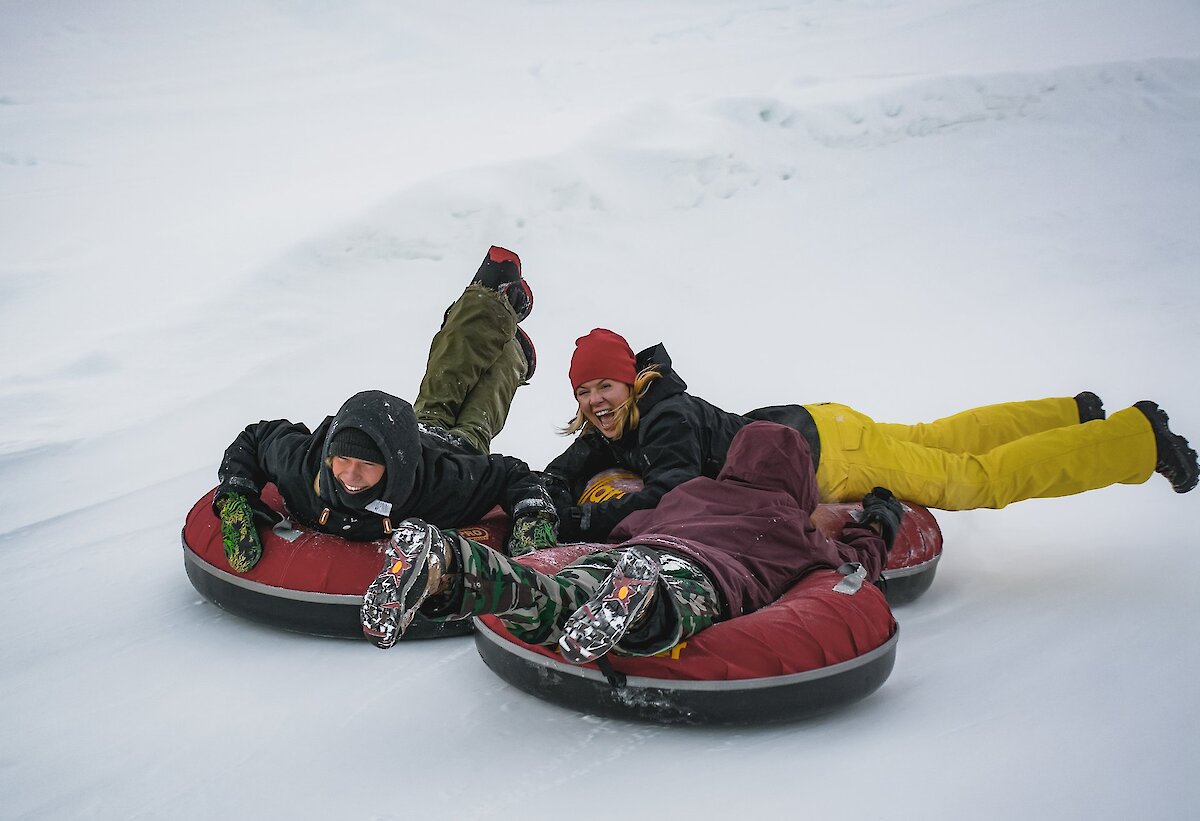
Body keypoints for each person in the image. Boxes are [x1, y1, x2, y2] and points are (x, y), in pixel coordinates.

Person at [541, 328, 1200, 543]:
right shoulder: (620, 424)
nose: (596, 400)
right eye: (584, 391)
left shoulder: (665, 416)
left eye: (604, 385)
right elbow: (566, 464)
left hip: (828, 456)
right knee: (934, 438)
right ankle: (1072, 414)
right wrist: (537, 493)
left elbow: (673, 491)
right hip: (815, 426)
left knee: (972, 479)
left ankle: (1138, 440)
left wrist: (589, 521)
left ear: (631, 381)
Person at [360, 421, 902, 657]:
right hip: (701, 574)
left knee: (556, 596)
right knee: (671, 606)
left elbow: (628, 526)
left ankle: (450, 565)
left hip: (639, 552)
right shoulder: (792, 528)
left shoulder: (692, 492)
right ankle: (643, 606)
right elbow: (857, 563)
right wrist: (878, 519)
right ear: (799, 479)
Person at [213, 246, 559, 573]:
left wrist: (532, 516)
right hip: (416, 428)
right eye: (343, 460)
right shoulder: (302, 470)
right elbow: (256, 438)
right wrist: (236, 497)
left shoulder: (441, 487)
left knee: (452, 380)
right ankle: (511, 347)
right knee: (476, 397)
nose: (349, 475)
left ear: (393, 464)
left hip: (455, 451)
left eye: (366, 464)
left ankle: (493, 295)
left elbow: (511, 474)